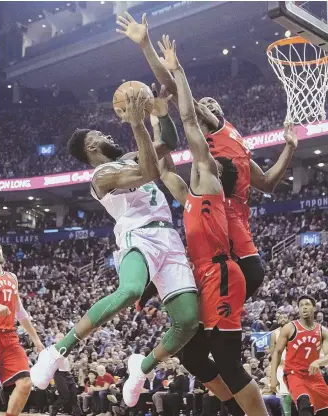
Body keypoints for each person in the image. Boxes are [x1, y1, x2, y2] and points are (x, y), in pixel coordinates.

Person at [152, 37, 293, 416]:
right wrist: (153, 121)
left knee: (225, 358)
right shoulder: (201, 180)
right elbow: (162, 168)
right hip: (217, 267)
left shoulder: (214, 171)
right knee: (192, 349)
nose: (209, 104)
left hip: (231, 266)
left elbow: (191, 116)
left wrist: (175, 71)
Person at [30, 87, 199, 409]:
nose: (107, 132)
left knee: (189, 321)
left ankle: (142, 367)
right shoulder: (102, 176)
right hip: (138, 235)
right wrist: (138, 124)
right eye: (99, 133)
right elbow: (149, 172)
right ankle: (56, 351)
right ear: (92, 146)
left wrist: (161, 113)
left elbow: (166, 146)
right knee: (131, 291)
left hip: (170, 238)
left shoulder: (126, 158)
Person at [116, 11, 298, 301]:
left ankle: (191, 309)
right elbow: (177, 91)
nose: (208, 104)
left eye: (213, 102)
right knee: (249, 275)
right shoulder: (209, 128)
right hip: (216, 211)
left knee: (229, 286)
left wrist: (290, 147)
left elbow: (267, 183)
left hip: (235, 217)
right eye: (204, 104)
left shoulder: (236, 142)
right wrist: (146, 45)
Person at [0, 241, 44, 416]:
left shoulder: (12, 277)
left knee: (25, 383)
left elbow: (20, 312)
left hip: (9, 338)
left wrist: (36, 340)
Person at [271, 295, 328, 416]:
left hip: (314, 375)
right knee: (304, 401)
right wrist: (273, 378)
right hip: (294, 373)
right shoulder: (289, 328)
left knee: (326, 415)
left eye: (307, 304)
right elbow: (277, 352)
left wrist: (319, 360)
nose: (304, 307)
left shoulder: (322, 331)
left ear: (314, 308)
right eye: (301, 305)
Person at [49, 333, 87, 416]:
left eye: (62, 337)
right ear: (55, 339)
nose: (61, 338)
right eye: (59, 337)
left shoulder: (67, 348)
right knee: (65, 395)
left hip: (68, 374)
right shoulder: (53, 348)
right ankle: (54, 409)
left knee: (74, 396)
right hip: (58, 373)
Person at [270, 315, 297, 416]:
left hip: (295, 366)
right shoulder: (274, 333)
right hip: (282, 367)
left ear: (289, 319)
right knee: (285, 395)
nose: (282, 319)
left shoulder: (294, 330)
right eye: (280, 317)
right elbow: (272, 352)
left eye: (285, 317)